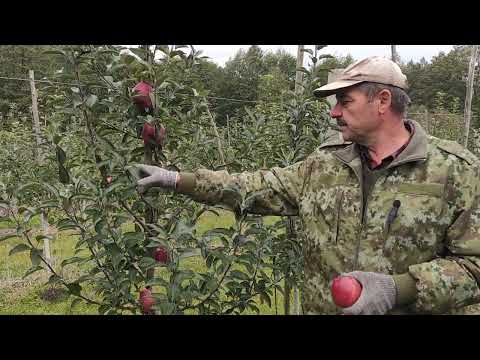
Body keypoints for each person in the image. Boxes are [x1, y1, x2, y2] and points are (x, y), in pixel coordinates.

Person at [134, 56, 480, 315]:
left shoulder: (453, 170)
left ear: (383, 101)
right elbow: (254, 186)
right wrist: (178, 179)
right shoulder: (324, 165)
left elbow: (474, 268)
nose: (334, 113)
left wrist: (397, 289)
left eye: (345, 102)